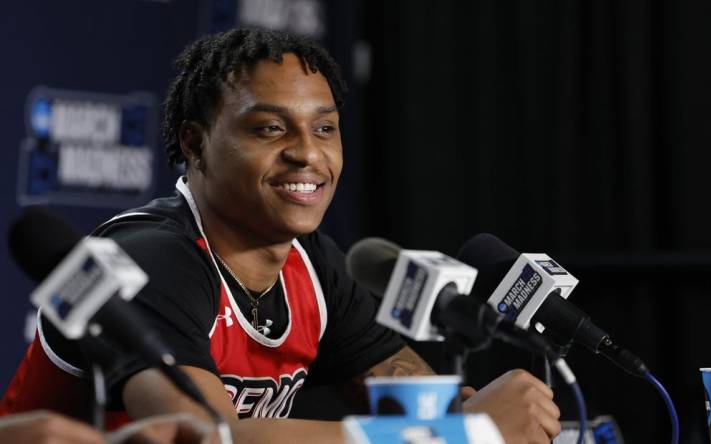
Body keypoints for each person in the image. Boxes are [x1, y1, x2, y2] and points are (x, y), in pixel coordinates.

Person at [1, 28, 561, 443]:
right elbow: (203, 435)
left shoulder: (312, 262)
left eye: (324, 128)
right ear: (194, 143)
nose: (308, 154)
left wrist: (463, 412)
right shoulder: (152, 256)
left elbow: (399, 385)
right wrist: (459, 435)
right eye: (270, 129)